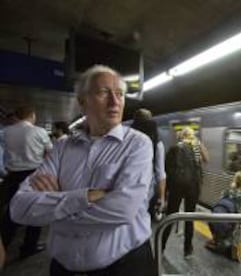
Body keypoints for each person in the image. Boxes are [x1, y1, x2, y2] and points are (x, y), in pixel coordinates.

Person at [9, 65, 156, 275]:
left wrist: (55, 207)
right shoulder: (62, 147)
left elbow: (123, 209)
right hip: (63, 269)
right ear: (82, 102)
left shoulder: (137, 144)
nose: (115, 101)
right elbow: (19, 208)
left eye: (120, 94)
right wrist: (86, 197)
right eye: (103, 92)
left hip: (125, 266)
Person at [1, 105, 53, 259]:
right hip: (33, 175)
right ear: (31, 115)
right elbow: (50, 153)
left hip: (12, 176)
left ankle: (3, 245)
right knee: (36, 210)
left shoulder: (5, 132)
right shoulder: (39, 131)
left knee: (10, 212)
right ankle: (28, 247)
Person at [162, 126, 209, 257]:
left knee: (170, 216)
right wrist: (198, 142)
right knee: (189, 218)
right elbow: (207, 159)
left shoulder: (174, 148)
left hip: (176, 187)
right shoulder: (196, 148)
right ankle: (187, 249)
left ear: (181, 136)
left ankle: (161, 246)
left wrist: (165, 194)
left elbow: (167, 172)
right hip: (193, 187)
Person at [205, 171, 241, 261]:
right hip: (229, 229)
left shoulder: (225, 192)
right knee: (237, 222)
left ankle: (216, 241)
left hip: (215, 224)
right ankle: (231, 247)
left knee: (225, 217)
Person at [130, 109, 166, 220]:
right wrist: (161, 197)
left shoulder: (127, 140)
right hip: (145, 193)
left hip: (126, 192)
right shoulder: (157, 143)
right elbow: (160, 174)